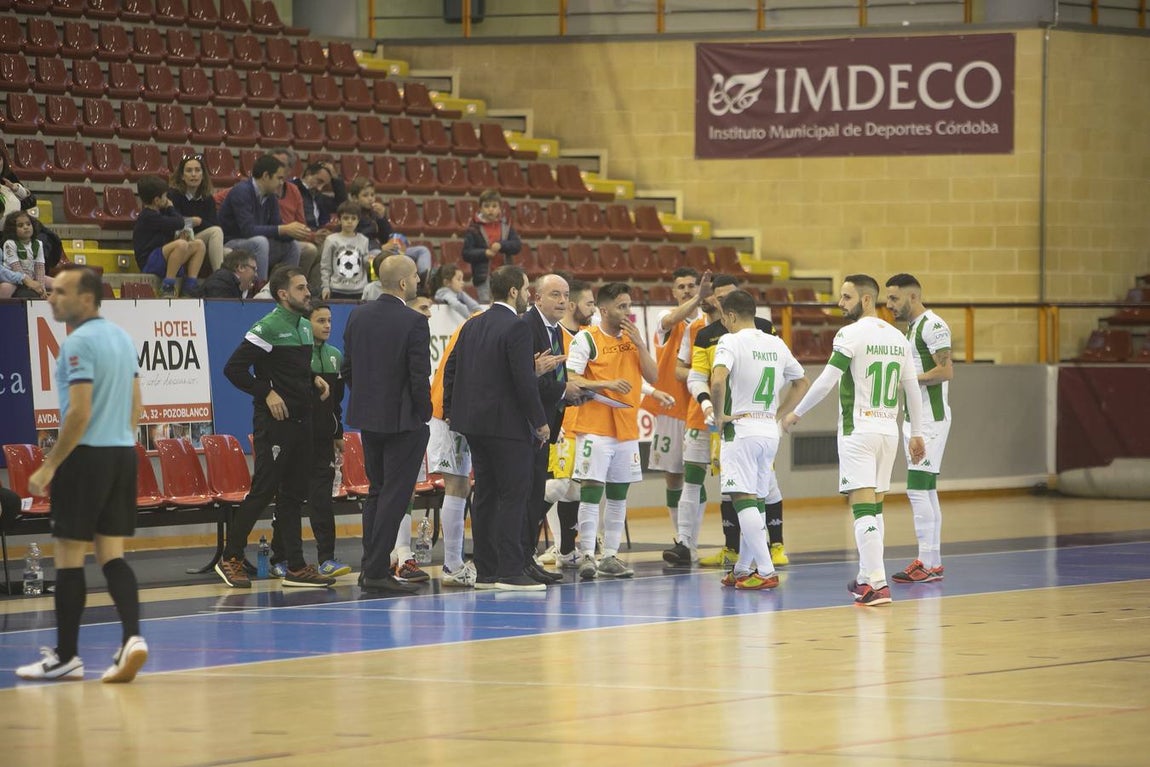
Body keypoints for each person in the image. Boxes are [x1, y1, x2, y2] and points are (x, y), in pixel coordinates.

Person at [16, 266, 148, 683]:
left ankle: (67, 657)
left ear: (86, 299)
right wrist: (119, 442)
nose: (51, 297)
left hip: (85, 458)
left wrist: (50, 464)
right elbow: (137, 409)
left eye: (60, 292)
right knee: (112, 555)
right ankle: (133, 639)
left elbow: (80, 412)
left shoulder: (78, 343)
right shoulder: (121, 338)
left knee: (69, 557)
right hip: (122, 454)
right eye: (50, 291)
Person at [781, 274, 927, 606]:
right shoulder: (898, 337)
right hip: (889, 432)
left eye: (846, 297)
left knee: (861, 509)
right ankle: (866, 576)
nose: (839, 303)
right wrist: (916, 432)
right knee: (874, 510)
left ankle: (876, 584)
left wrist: (795, 413)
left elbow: (826, 380)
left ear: (864, 300)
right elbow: (912, 390)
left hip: (858, 430)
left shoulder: (849, 334)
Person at [217, 266, 335, 589]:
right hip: (275, 425)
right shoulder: (267, 327)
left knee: (295, 495)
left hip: (303, 421)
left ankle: (294, 566)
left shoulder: (304, 327)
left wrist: (314, 379)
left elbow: (292, 369)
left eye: (307, 287)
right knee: (263, 490)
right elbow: (234, 369)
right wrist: (266, 393)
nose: (308, 292)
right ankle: (230, 557)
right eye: (300, 288)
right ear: (283, 294)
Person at [444, 265, 549, 591]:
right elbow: (523, 381)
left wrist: (451, 411)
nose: (529, 295)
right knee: (513, 496)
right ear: (514, 291)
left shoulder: (472, 325)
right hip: (507, 427)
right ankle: (510, 570)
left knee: (486, 495)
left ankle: (487, 570)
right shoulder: (517, 328)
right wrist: (541, 421)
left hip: (474, 426)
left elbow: (451, 368)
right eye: (527, 288)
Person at [709, 290, 810, 590]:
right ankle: (742, 569)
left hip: (741, 428)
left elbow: (717, 380)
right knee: (756, 499)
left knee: (741, 499)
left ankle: (765, 571)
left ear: (729, 316)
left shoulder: (729, 341)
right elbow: (802, 382)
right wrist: (778, 413)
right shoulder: (775, 342)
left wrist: (718, 415)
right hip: (768, 429)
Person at [567, 282, 669, 580]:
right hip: (595, 426)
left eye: (629, 306)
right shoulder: (587, 339)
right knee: (591, 490)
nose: (627, 311)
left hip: (626, 428)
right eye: (621, 306)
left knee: (618, 493)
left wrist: (640, 344)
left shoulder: (632, 339)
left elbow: (653, 376)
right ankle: (587, 553)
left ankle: (610, 555)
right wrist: (605, 384)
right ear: (604, 310)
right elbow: (572, 378)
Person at [342, 255, 431, 594]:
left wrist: (368, 400)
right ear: (404, 283)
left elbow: (348, 368)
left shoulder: (358, 314)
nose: (420, 281)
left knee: (377, 492)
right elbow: (418, 376)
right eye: (416, 277)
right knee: (394, 495)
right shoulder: (413, 321)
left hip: (369, 418)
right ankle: (377, 571)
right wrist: (423, 412)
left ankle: (372, 568)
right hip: (404, 420)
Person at [268, 302, 350, 578]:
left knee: (322, 500)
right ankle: (279, 558)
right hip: (295, 438)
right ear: (306, 324)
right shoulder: (295, 357)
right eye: (320, 321)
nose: (327, 325)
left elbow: (336, 404)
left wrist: (338, 434)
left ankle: (327, 558)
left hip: (323, 440)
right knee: (290, 498)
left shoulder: (336, 356)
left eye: (329, 320)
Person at [885, 273, 954, 583]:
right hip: (916, 418)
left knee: (915, 489)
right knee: (926, 489)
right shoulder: (912, 329)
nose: (889, 305)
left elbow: (945, 370)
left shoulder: (934, 325)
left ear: (912, 297)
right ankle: (933, 562)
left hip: (930, 418)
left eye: (894, 299)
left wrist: (908, 380)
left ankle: (925, 561)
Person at [640, 267, 708, 562]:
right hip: (670, 407)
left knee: (696, 476)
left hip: (698, 409)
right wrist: (697, 301)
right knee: (673, 476)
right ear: (673, 292)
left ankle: (690, 541)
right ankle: (680, 538)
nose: (687, 290)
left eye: (692, 286)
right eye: (681, 287)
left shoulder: (710, 323)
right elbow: (671, 319)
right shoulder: (666, 319)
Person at [520, 273, 577, 584]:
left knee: (534, 494)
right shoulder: (527, 327)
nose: (562, 300)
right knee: (527, 494)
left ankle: (527, 556)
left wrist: (569, 395)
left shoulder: (556, 330)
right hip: (527, 425)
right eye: (554, 294)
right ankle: (521, 558)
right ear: (536, 297)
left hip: (546, 424)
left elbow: (554, 378)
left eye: (565, 294)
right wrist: (562, 391)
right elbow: (525, 379)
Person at [539, 278, 597, 567]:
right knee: (558, 486)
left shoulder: (589, 335)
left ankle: (564, 551)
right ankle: (522, 537)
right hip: (561, 422)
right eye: (589, 303)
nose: (594, 308)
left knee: (573, 488)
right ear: (573, 305)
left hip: (583, 421)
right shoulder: (554, 333)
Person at [425, 306, 479, 588]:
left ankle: (456, 563)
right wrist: (450, 411)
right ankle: (452, 565)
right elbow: (456, 370)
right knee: (457, 486)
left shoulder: (477, 323)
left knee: (462, 486)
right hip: (449, 413)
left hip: (460, 411)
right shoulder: (477, 326)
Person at [219, 155, 309, 281]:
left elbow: (277, 226)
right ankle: (260, 289)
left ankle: (286, 287)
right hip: (232, 243)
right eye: (279, 178)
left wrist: (296, 232)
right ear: (266, 176)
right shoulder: (241, 191)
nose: (281, 183)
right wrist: (284, 229)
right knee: (261, 242)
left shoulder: (271, 196)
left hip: (256, 245)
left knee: (292, 246)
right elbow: (248, 230)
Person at [132, 175, 206, 297]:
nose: (167, 199)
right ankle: (168, 285)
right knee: (181, 244)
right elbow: (179, 222)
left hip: (164, 257)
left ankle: (190, 286)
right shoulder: (148, 216)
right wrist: (171, 207)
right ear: (157, 200)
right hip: (149, 262)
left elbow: (177, 223)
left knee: (199, 245)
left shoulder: (161, 212)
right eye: (165, 196)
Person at [168, 154, 225, 272]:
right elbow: (172, 222)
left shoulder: (208, 199)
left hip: (201, 241)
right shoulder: (173, 195)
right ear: (182, 176)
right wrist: (191, 222)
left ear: (203, 175)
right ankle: (219, 277)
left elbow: (215, 225)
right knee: (216, 232)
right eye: (189, 171)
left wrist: (198, 222)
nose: (193, 174)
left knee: (229, 253)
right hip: (179, 242)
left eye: (197, 170)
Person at [462, 189, 521, 303]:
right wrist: (485, 253)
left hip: (505, 275)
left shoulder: (506, 227)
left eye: (494, 206)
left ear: (500, 208)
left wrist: (501, 245)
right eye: (487, 206)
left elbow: (517, 245)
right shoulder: (474, 229)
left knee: (506, 303)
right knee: (486, 304)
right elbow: (466, 253)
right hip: (484, 277)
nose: (490, 209)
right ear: (480, 208)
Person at [319, 200, 371, 300]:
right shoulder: (331, 240)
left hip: (359, 290)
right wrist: (325, 287)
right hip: (336, 289)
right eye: (346, 218)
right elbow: (325, 266)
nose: (350, 221)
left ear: (358, 220)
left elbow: (366, 264)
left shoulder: (364, 240)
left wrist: (369, 262)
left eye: (353, 218)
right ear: (339, 220)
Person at [1, 211, 52, 298]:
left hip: (32, 275)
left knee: (58, 283)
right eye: (20, 225)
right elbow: (15, 267)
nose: (26, 227)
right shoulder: (10, 244)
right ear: (12, 229)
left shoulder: (38, 244)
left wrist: (41, 288)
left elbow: (39, 267)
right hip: (14, 279)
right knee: (6, 288)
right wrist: (29, 283)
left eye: (28, 224)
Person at [0, 141, 38, 225]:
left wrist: (16, 189)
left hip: (13, 227)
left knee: (45, 234)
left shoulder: (8, 176)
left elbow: (31, 202)